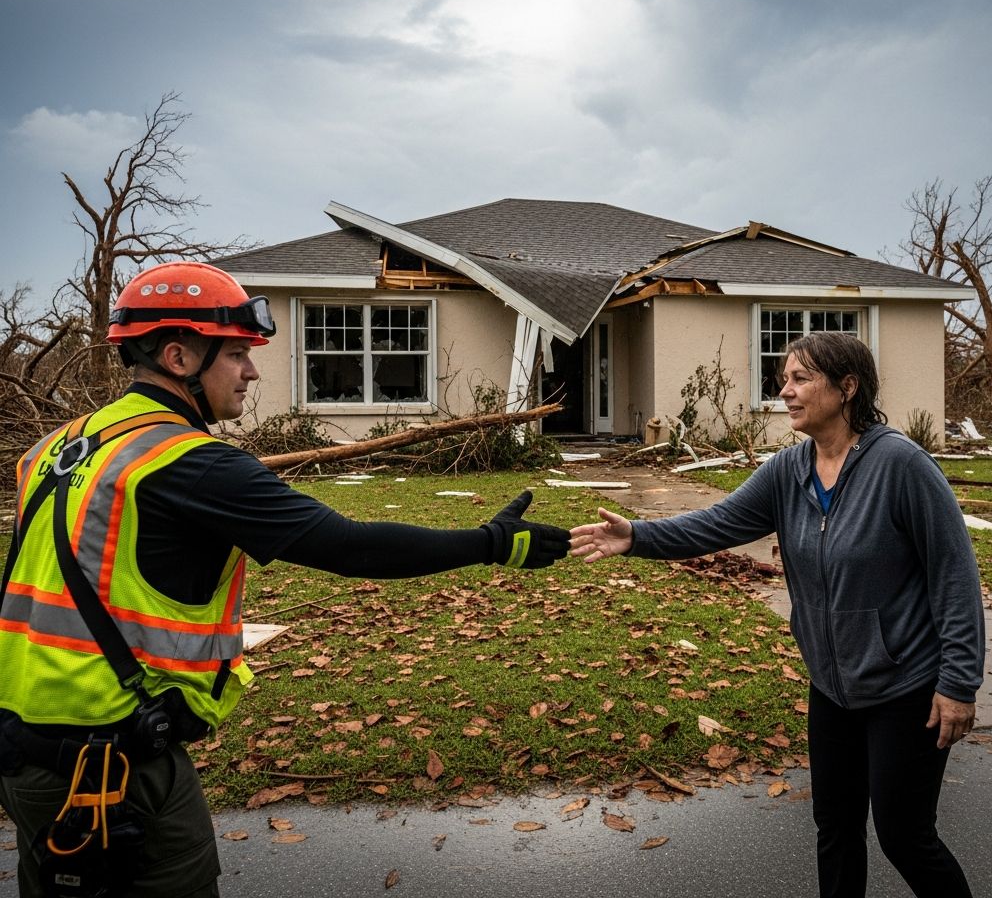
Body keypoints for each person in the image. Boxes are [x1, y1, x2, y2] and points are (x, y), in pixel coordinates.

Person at [0, 261, 570, 898]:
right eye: (238, 354)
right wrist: (492, 543)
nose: (251, 371)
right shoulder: (190, 464)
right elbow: (347, 545)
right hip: (112, 768)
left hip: (26, 755)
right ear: (178, 356)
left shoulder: (55, 447)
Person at [570, 332, 984, 898]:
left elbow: (954, 574)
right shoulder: (790, 470)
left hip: (905, 688)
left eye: (799, 379)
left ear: (848, 387)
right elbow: (713, 524)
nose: (784, 391)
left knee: (904, 835)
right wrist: (636, 535)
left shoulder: (901, 466)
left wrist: (959, 682)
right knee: (834, 829)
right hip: (832, 688)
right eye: (782, 378)